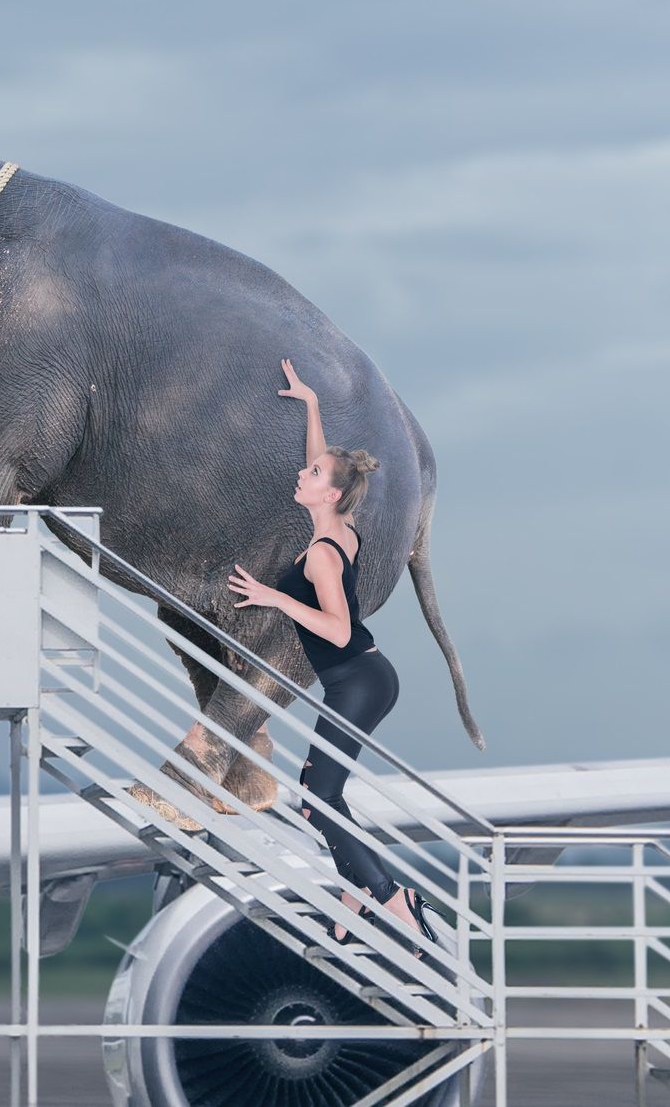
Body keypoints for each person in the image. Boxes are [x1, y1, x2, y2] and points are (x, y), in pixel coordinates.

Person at [228, 359, 438, 946]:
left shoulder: (323, 550)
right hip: (361, 679)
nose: (303, 473)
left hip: (357, 677)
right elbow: (326, 462)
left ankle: (392, 900)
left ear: (333, 493)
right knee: (321, 795)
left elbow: (340, 631)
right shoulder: (341, 523)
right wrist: (311, 405)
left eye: (312, 472)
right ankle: (355, 892)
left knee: (317, 798)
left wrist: (273, 596)